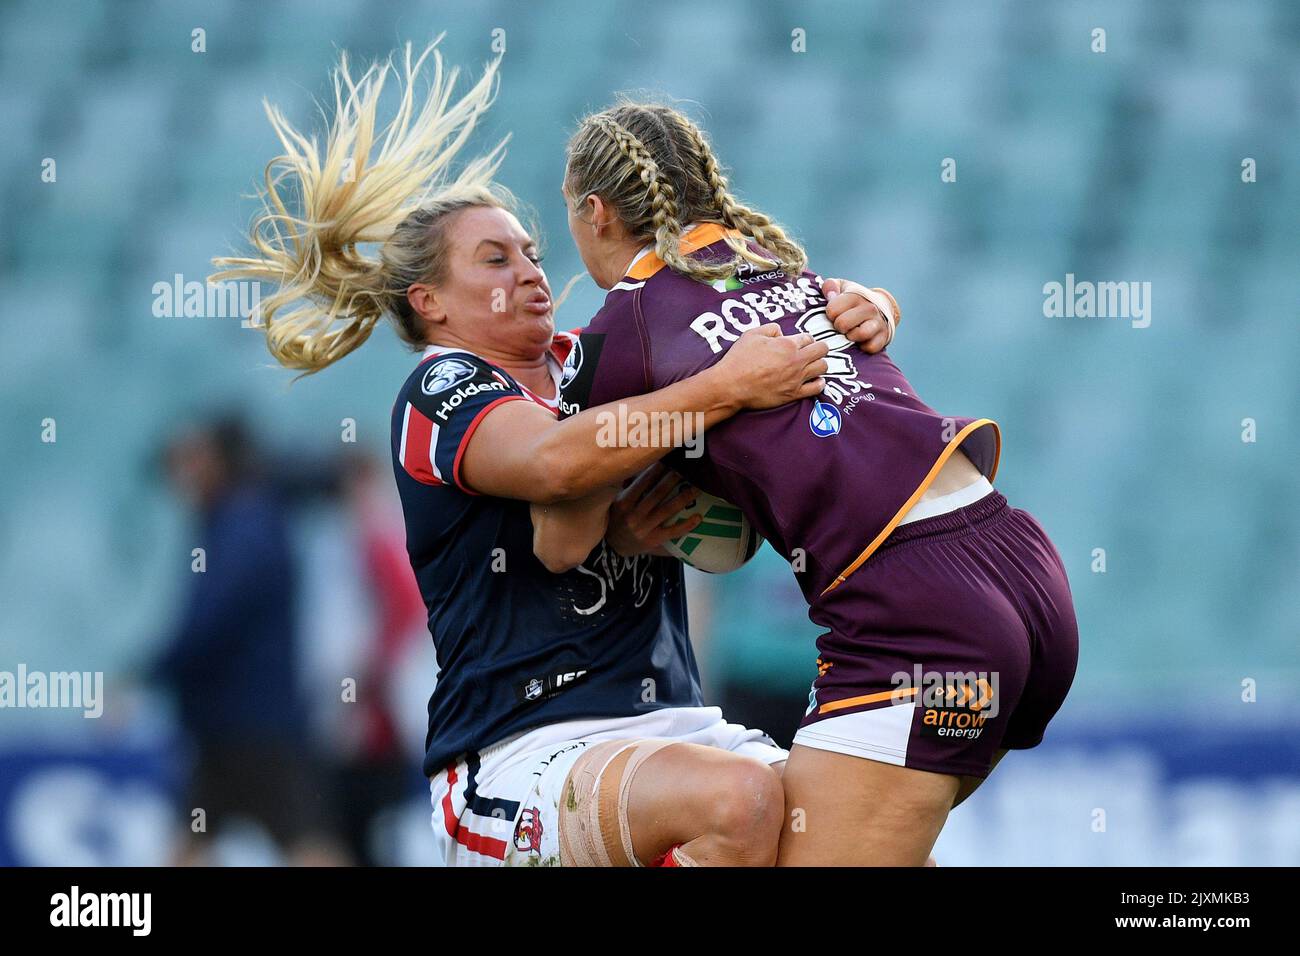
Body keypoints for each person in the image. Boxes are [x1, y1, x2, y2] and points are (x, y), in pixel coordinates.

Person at [212, 41, 895, 867]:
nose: (532, 271)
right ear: (428, 302)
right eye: (495, 259)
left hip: (674, 727)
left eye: (532, 251)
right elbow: (554, 463)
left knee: (881, 843)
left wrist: (854, 308)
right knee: (739, 802)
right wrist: (724, 389)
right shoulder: (444, 387)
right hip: (523, 751)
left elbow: (756, 333)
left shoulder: (597, 364)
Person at [552, 101, 1080, 866]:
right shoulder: (781, 265)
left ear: (594, 212)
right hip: (1025, 578)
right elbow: (862, 327)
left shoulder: (620, 327)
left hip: (918, 617)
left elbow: (557, 520)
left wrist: (629, 503)